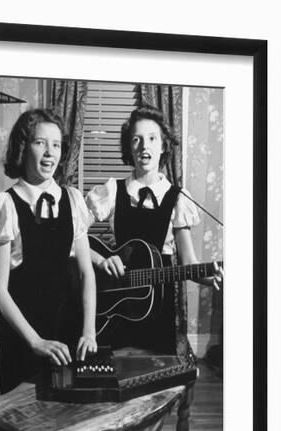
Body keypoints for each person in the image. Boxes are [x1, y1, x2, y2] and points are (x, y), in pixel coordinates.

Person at [86, 105, 223, 354]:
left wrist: (215, 275)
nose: (143, 146)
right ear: (129, 147)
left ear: (163, 146)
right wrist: (99, 260)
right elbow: (72, 234)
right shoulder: (113, 191)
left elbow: (190, 262)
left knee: (157, 380)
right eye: (136, 139)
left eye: (152, 138)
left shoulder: (178, 198)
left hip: (158, 308)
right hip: (115, 307)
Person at [0, 108, 96, 393]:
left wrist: (88, 330)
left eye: (56, 144)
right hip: (23, 336)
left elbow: (86, 273)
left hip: (67, 333)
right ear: (23, 147)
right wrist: (35, 341)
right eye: (40, 142)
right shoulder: (7, 204)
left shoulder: (72, 200)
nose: (49, 153)